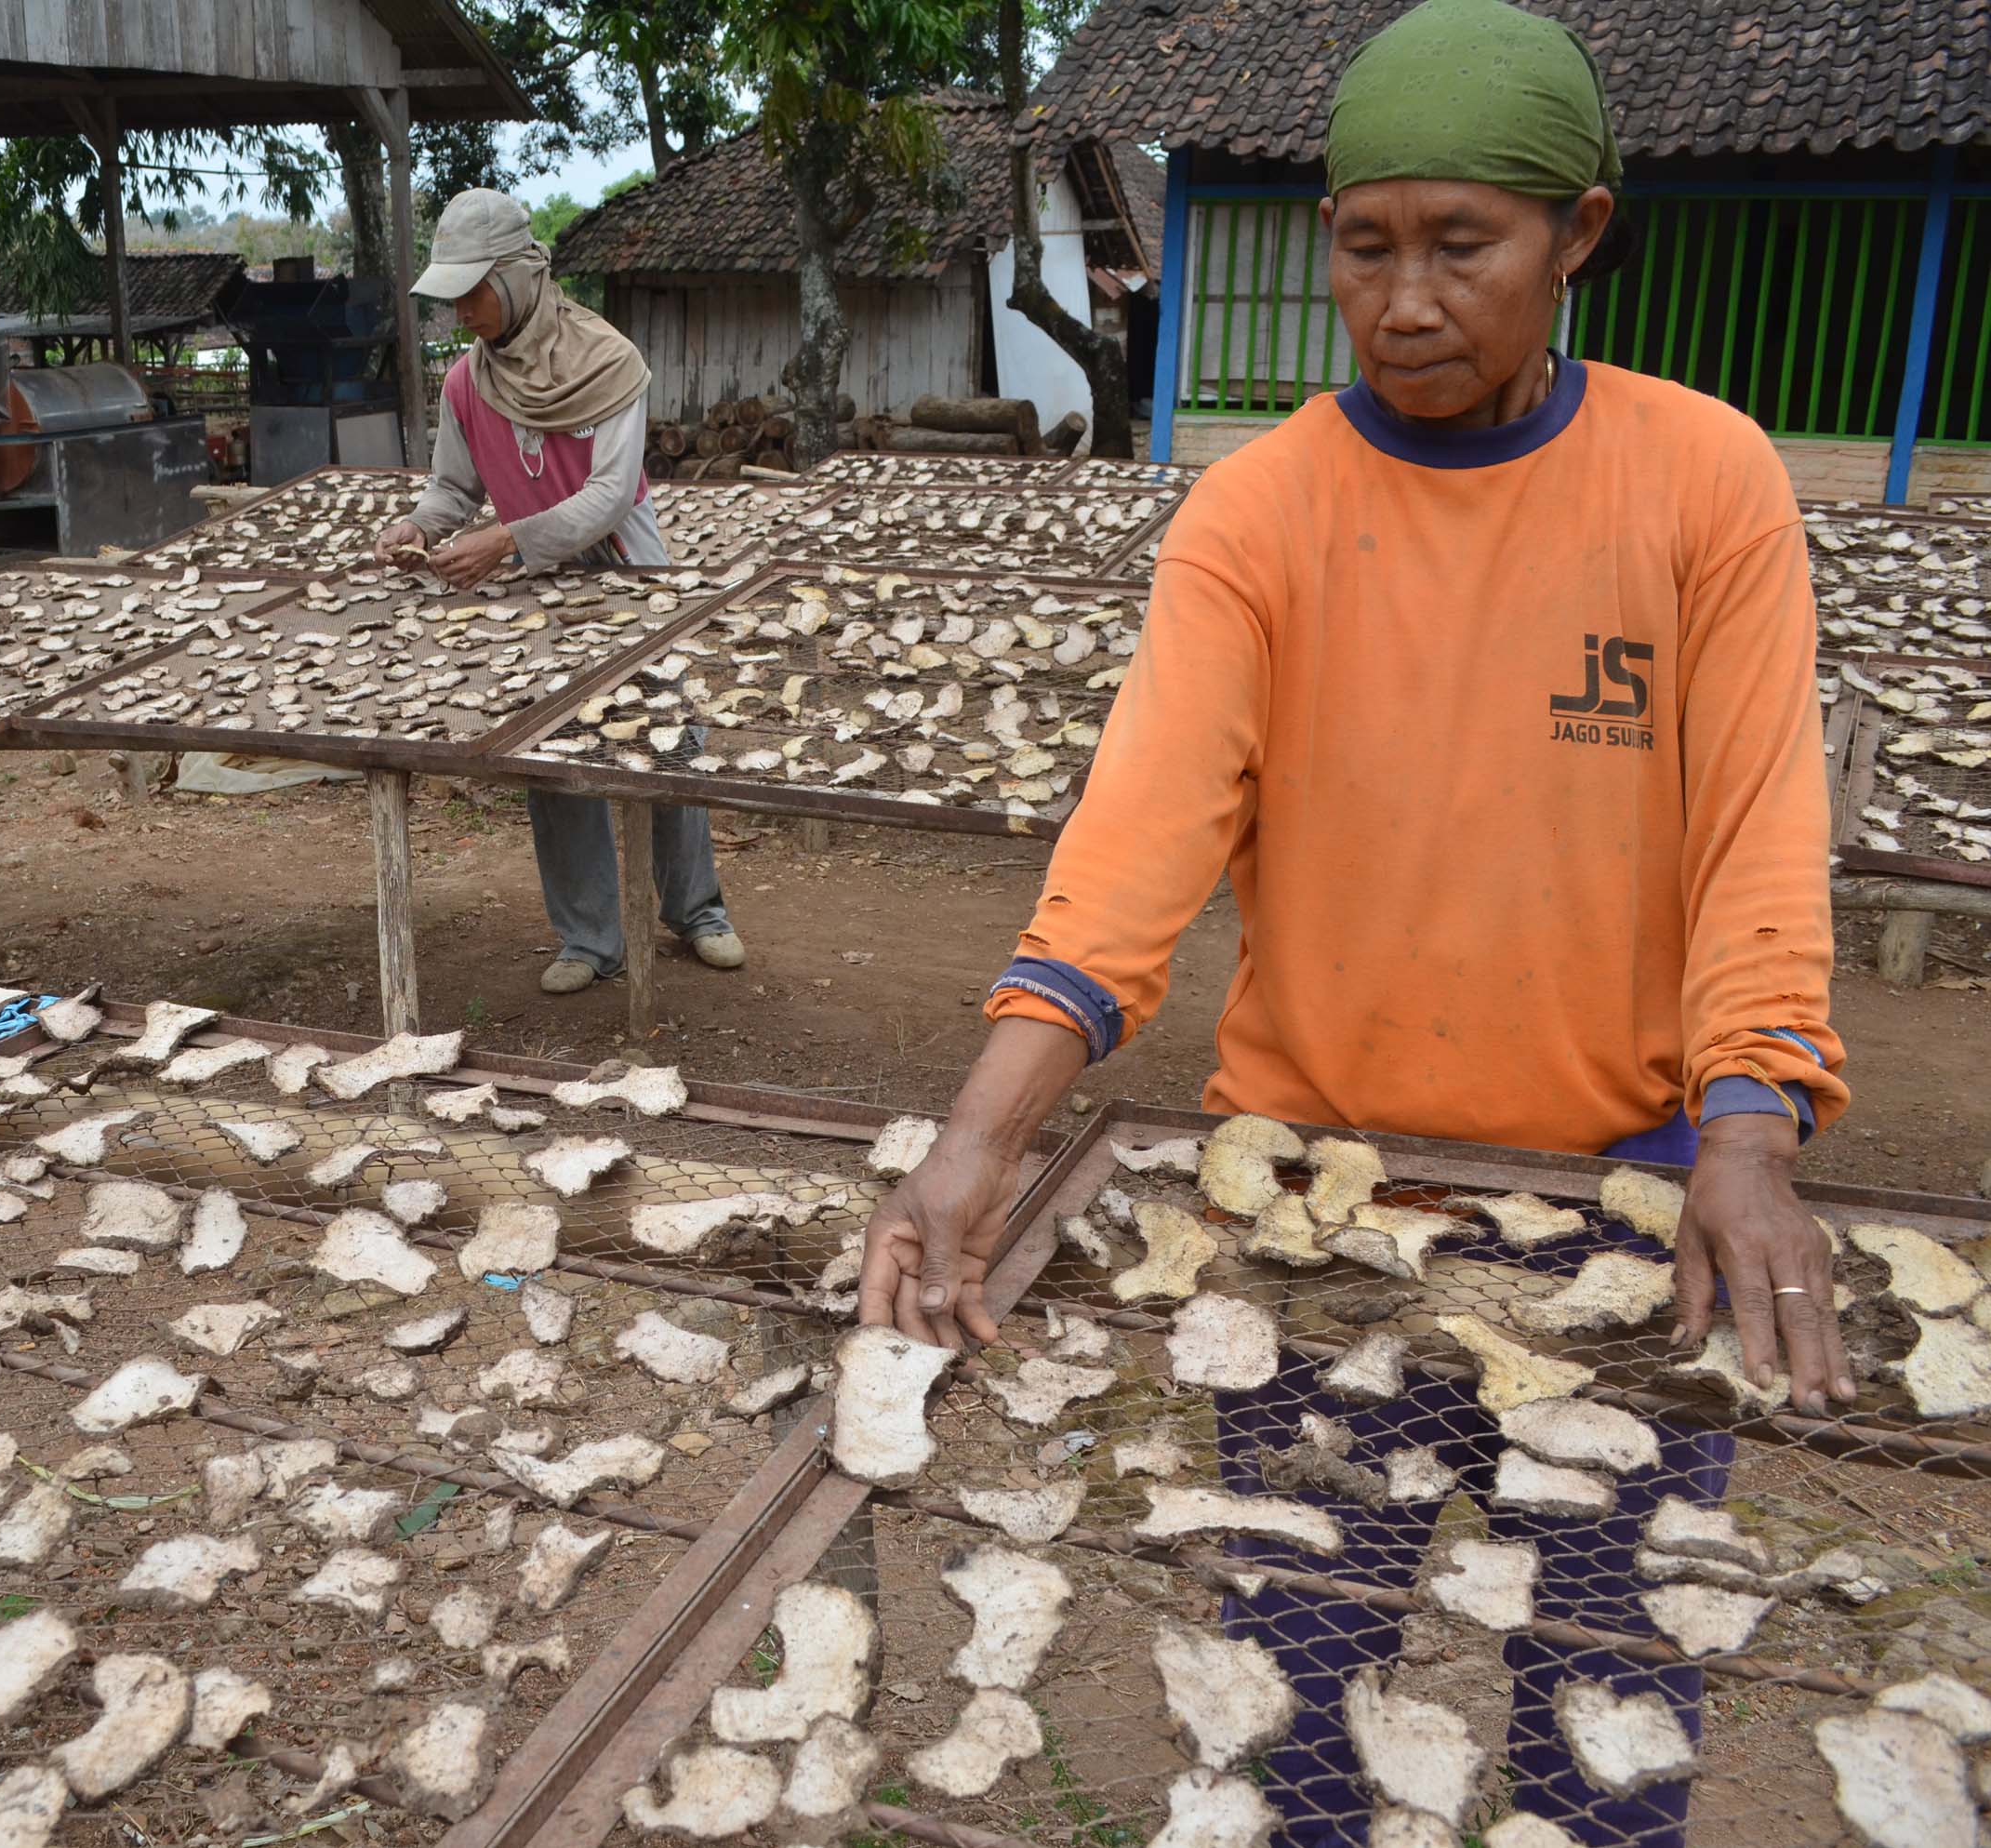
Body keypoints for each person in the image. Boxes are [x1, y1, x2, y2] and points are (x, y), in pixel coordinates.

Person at [856, 3, 1846, 1843]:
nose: (1403, 299)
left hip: (1618, 1227)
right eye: (1365, 244)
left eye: (1463, 246)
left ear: (1581, 235)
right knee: (1298, 1678)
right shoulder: (1262, 516)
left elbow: (1760, 843)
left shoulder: (1703, 485)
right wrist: (976, 1141)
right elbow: (1132, 848)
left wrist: (1750, 1128)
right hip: (1322, 1224)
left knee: (1607, 1698)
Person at [373, 188, 746, 996]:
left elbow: (612, 496)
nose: (461, 311)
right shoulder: (468, 386)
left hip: (628, 581)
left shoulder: (609, 360)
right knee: (551, 754)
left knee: (668, 743)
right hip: (539, 593)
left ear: (514, 277)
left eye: (472, 291)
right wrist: (419, 529)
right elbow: (451, 489)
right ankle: (590, 939)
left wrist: (506, 540)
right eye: (454, 295)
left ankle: (698, 911)